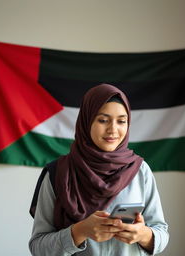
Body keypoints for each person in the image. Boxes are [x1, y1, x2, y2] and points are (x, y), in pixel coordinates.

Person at [29, 84, 169, 256]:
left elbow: (161, 232)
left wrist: (144, 235)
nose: (113, 129)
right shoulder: (58, 173)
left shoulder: (140, 170)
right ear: (87, 121)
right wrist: (79, 232)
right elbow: (37, 247)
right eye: (103, 120)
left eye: (121, 121)